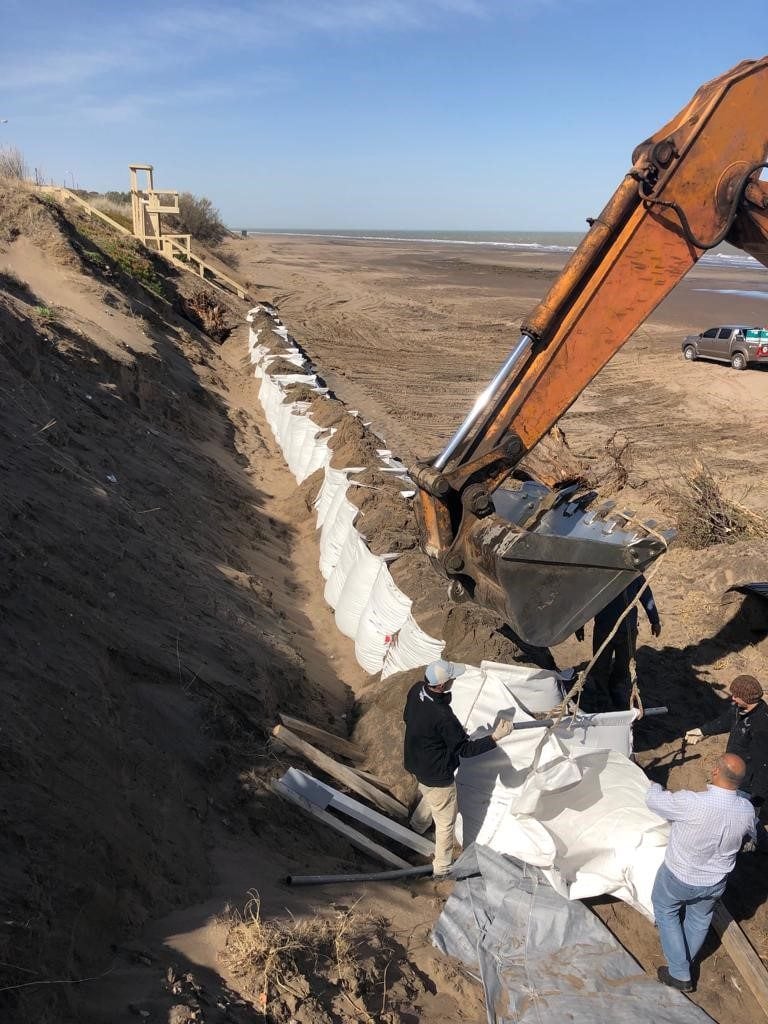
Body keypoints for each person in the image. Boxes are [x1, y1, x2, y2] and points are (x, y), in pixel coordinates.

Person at [646, 753, 755, 992]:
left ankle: (679, 973)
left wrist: (653, 785)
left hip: (679, 876)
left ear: (716, 771)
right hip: (716, 881)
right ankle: (685, 961)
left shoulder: (692, 802)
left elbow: (654, 802)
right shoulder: (746, 809)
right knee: (699, 919)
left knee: (666, 911)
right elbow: (750, 835)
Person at [403, 659, 512, 877]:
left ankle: (417, 825)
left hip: (416, 762)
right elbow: (465, 750)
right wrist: (494, 738)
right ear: (442, 686)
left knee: (430, 793)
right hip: (437, 775)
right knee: (445, 822)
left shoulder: (416, 690)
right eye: (452, 678)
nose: (454, 681)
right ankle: (442, 868)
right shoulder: (443, 716)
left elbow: (408, 717)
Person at [685, 674, 768, 825]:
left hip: (745, 784)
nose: (733, 698)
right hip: (730, 774)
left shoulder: (761, 725)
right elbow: (724, 721)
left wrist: (756, 801)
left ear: (747, 698)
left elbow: (763, 766)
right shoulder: (740, 709)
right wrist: (702, 731)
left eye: (736, 696)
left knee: (740, 824)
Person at [577, 574, 661, 709]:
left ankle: (615, 688)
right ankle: (602, 696)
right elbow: (587, 598)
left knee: (624, 666)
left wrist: (654, 620)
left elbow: (646, 594)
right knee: (600, 667)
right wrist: (579, 624)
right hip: (604, 630)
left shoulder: (634, 573)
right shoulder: (601, 573)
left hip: (628, 632)